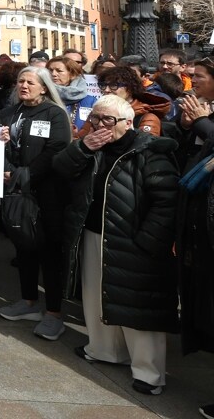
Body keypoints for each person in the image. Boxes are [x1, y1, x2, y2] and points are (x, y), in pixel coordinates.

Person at [55, 94, 178, 396]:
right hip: (94, 233)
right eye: (94, 117)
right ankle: (103, 350)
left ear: (127, 122)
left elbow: (167, 202)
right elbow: (61, 169)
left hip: (133, 243)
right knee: (95, 296)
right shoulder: (92, 146)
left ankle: (149, 374)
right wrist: (83, 147)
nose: (97, 124)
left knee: (139, 308)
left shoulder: (151, 151)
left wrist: (147, 242)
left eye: (106, 119)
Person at [0, 66, 71, 340]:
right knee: (24, 249)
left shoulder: (54, 114)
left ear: (44, 87)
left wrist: (22, 175)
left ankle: (53, 313)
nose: (24, 86)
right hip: (17, 193)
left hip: (46, 195)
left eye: (30, 82)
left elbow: (56, 149)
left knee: (49, 255)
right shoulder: (10, 113)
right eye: (20, 81)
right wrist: (4, 154)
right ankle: (28, 302)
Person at [176, 58, 214, 417]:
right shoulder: (202, 115)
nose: (191, 82)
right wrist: (189, 126)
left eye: (199, 77)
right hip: (198, 224)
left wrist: (202, 122)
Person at [96, 65, 170, 137]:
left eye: (114, 85)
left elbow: (144, 145)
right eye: (103, 85)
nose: (106, 90)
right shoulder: (97, 112)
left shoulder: (147, 118)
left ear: (130, 88)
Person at [47, 56, 98, 134]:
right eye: (50, 70)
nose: (53, 74)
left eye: (59, 71)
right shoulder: (41, 98)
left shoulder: (91, 101)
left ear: (72, 74)